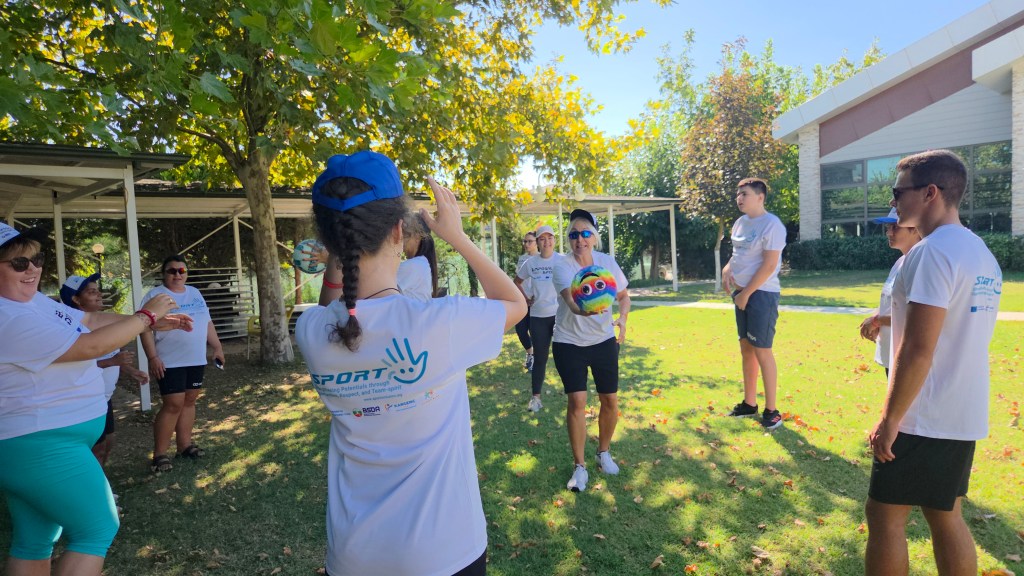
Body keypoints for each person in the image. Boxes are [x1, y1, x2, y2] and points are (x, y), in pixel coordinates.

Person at [294, 150, 525, 576]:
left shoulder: (310, 331)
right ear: (399, 230)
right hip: (445, 551)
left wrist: (337, 253)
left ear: (329, 240)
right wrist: (457, 236)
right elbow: (515, 303)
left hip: (353, 557)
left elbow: (331, 307)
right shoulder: (439, 323)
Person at [0, 223, 190, 576]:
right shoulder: (7, 317)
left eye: (37, 260)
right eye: (19, 264)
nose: (33, 270)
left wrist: (148, 324)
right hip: (41, 444)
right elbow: (90, 346)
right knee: (97, 528)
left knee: (35, 539)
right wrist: (146, 316)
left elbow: (89, 319)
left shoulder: (31, 302)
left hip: (36, 444)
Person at [866, 150, 1001, 576]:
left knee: (884, 516)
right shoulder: (979, 252)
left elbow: (919, 348)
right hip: (962, 411)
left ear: (930, 193)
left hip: (924, 414)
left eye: (897, 191)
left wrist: (891, 419)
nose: (893, 202)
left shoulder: (931, 252)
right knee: (945, 514)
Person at [552, 209, 630, 492]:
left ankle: (603, 452)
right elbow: (572, 303)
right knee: (577, 401)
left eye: (585, 233)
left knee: (610, 400)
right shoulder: (562, 266)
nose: (580, 240)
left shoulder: (607, 262)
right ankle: (579, 467)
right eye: (574, 234)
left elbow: (623, 296)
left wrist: (622, 318)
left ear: (595, 237)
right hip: (568, 342)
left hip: (603, 341)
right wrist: (586, 310)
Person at [141, 254, 225, 472]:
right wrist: (153, 357)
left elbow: (206, 322)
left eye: (182, 271)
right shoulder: (155, 296)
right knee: (173, 404)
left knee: (189, 400)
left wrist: (217, 347)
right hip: (169, 360)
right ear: (163, 273)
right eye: (172, 271)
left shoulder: (195, 292)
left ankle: (184, 446)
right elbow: (144, 328)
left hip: (195, 358)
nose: (177, 275)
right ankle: (160, 455)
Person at [60, 273, 149, 469]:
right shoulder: (71, 329)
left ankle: (101, 481)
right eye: (92, 292)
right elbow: (72, 367)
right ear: (76, 300)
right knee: (96, 448)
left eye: (97, 290)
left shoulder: (106, 325)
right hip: (86, 400)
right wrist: (112, 361)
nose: (99, 294)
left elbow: (113, 356)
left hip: (105, 398)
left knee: (109, 443)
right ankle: (93, 485)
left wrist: (130, 370)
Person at [721, 177, 787, 430]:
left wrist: (746, 293)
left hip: (761, 295)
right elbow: (738, 253)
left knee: (762, 350)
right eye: (738, 194)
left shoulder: (772, 225)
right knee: (746, 348)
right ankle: (750, 404)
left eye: (744, 194)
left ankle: (772, 411)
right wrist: (728, 268)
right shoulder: (740, 223)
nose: (739, 198)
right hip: (742, 294)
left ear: (760, 197)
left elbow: (769, 265)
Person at [857, 209, 921, 380]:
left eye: (895, 227)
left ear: (915, 229)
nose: (889, 232)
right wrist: (875, 316)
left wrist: (877, 321)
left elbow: (918, 317)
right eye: (888, 227)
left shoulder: (920, 265)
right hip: (891, 354)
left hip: (907, 358)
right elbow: (892, 301)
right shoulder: (900, 262)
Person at [515, 225, 558, 412]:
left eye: (550, 238)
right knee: (540, 358)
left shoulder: (563, 260)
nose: (546, 242)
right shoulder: (530, 263)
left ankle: (573, 393)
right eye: (542, 238)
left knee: (566, 355)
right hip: (538, 317)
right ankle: (536, 398)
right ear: (538, 243)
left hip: (560, 316)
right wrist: (526, 299)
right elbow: (517, 282)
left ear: (554, 240)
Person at [397, 212, 439, 301]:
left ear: (417, 236)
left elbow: (380, 289)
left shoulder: (415, 265)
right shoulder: (421, 263)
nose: (400, 237)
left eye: (405, 233)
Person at [514, 231, 538, 371]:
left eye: (530, 241)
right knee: (521, 330)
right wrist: (524, 298)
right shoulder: (522, 259)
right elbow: (518, 281)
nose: (526, 244)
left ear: (536, 243)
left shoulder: (541, 259)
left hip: (537, 302)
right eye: (525, 241)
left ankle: (535, 358)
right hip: (522, 300)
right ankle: (530, 353)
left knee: (535, 331)